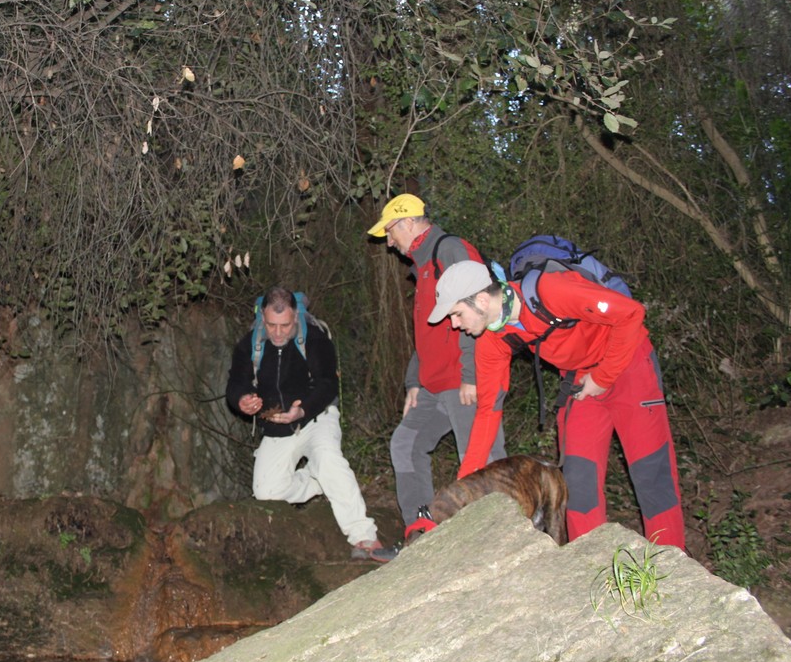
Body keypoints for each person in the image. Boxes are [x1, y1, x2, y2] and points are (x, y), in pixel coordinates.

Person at [429, 259, 686, 549]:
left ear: (482, 300)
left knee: (651, 474)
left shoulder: (551, 290)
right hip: (580, 381)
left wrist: (602, 376)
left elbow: (631, 313)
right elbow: (488, 411)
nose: (454, 324)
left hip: (629, 364)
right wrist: (464, 486)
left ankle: (669, 565)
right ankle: (590, 565)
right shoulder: (493, 340)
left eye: (457, 314)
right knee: (577, 484)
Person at [225, 287, 396, 563]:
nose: (277, 333)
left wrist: (302, 409)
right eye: (271, 325)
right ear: (262, 318)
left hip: (317, 417)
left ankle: (364, 536)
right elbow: (236, 383)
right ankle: (320, 479)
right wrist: (242, 400)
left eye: (285, 325)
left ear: (295, 317)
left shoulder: (314, 339)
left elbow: (328, 384)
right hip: (277, 426)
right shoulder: (250, 344)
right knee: (267, 492)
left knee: (328, 458)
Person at [367, 194, 506, 531]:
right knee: (405, 444)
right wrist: (414, 381)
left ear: (408, 222)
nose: (389, 242)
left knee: (480, 462)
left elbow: (480, 311)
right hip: (433, 384)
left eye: (390, 231)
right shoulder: (424, 265)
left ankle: (501, 536)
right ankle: (422, 532)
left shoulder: (450, 250)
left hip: (462, 380)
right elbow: (428, 331)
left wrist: (471, 374)